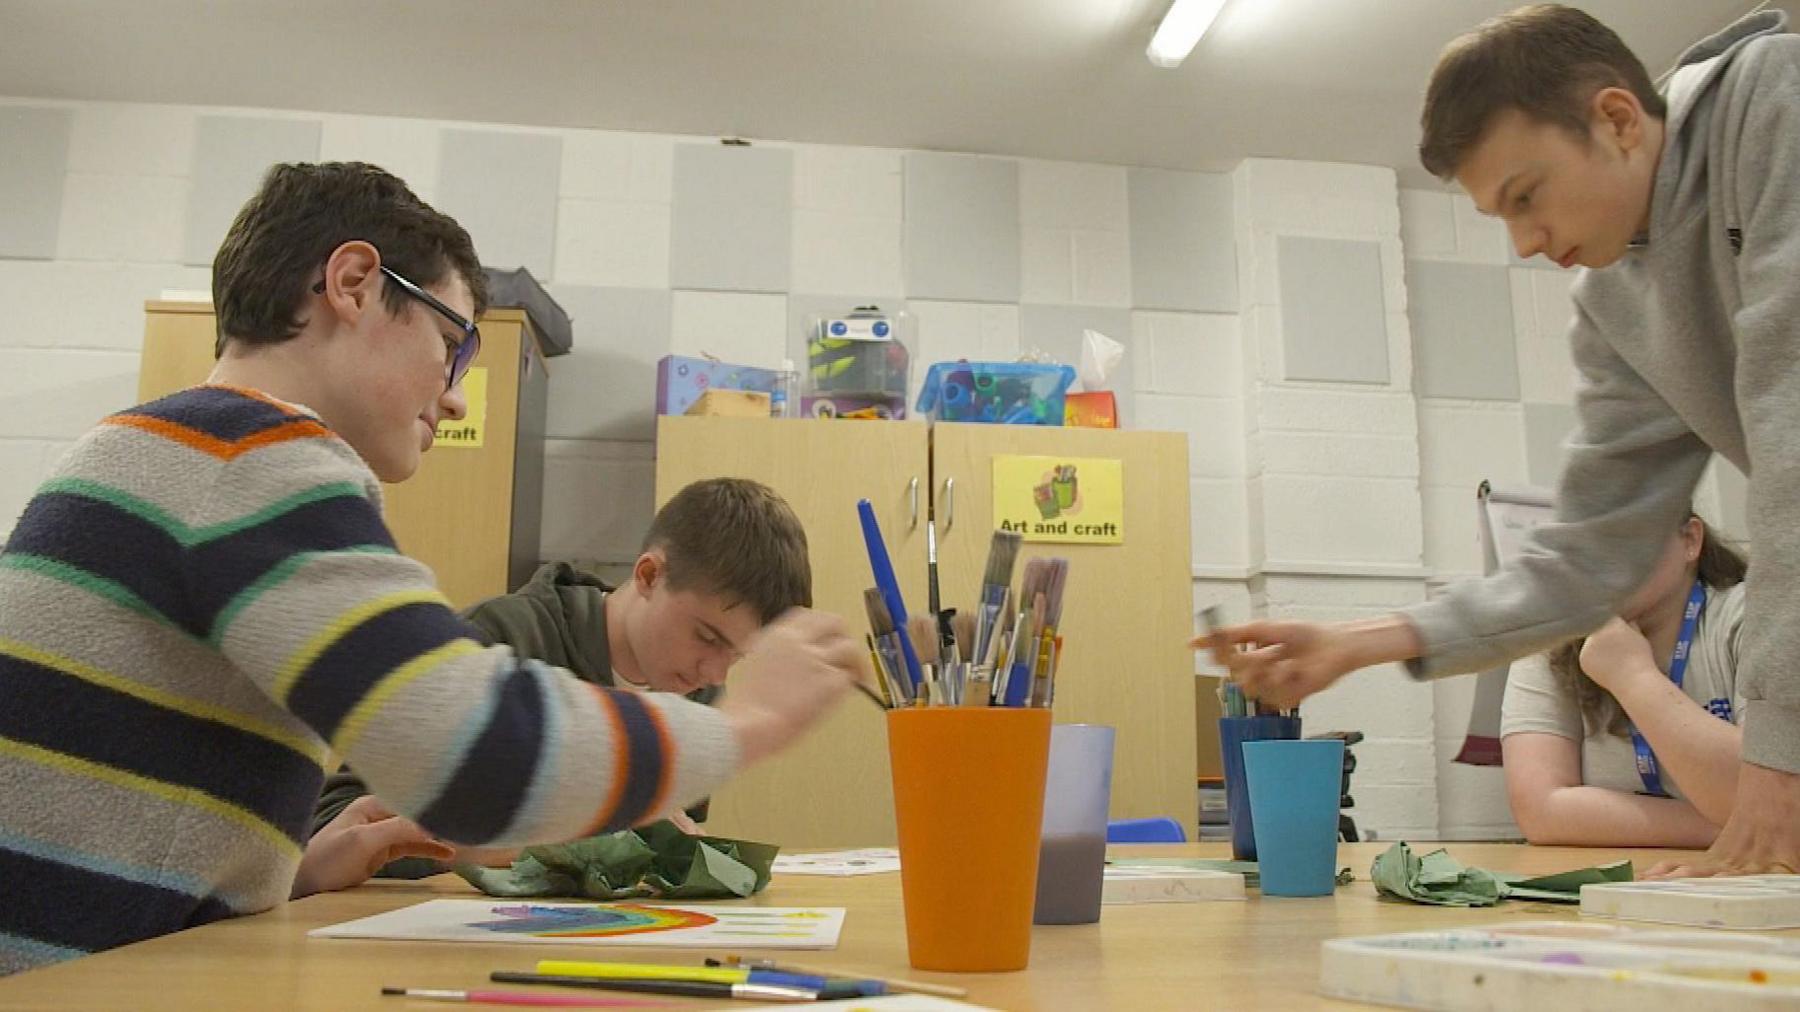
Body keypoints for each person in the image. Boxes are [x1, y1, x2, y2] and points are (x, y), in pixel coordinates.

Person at [0, 162, 862, 975]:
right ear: (353, 284)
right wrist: (747, 725)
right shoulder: (259, 454)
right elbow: (482, 759)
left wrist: (284, 868)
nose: (454, 396)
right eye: (453, 345)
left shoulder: (154, 445)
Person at [1206, 5, 1800, 877]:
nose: (1525, 242)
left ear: (1617, 119)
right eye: (1500, 217)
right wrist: (1368, 640)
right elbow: (1585, 559)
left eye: (1527, 197)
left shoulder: (1769, 94)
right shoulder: (1614, 303)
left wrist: (1777, 767)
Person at [312, 476, 814, 874]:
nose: (715, 672)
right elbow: (338, 819)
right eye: (707, 637)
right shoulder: (501, 637)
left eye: (738, 655)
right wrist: (566, 837)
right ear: (647, 576)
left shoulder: (698, 693)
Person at [1503, 516, 1745, 847]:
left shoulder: (1754, 617)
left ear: (1690, 539)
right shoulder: (1550, 635)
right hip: (1633, 877)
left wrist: (1633, 677)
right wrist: (1737, 830)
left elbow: (1775, 793)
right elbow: (1539, 811)